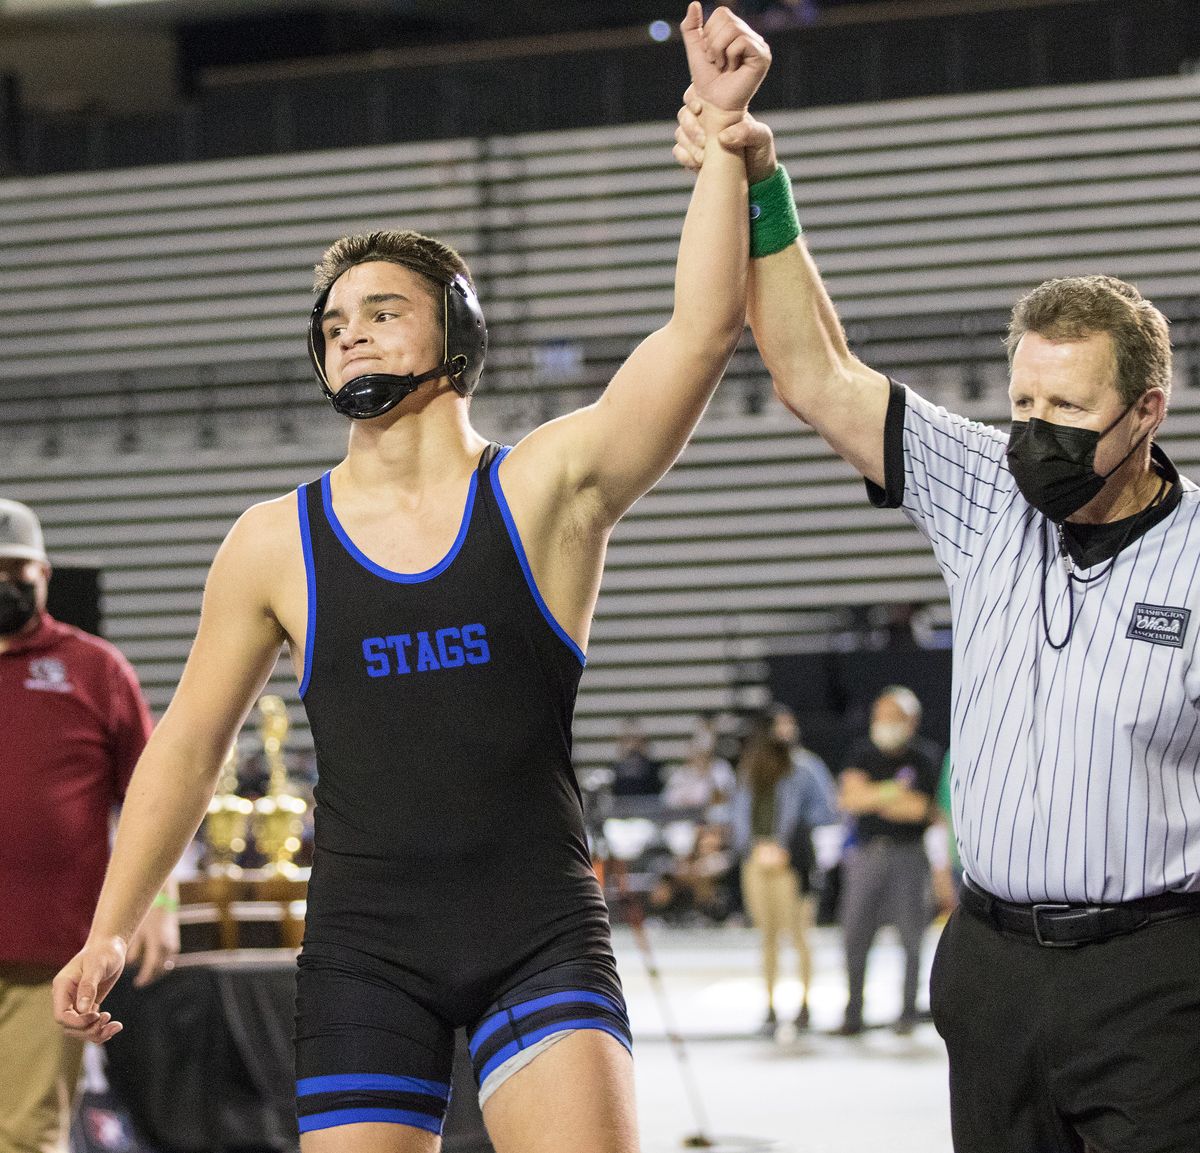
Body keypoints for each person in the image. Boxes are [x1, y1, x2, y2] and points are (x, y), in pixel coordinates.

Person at [54, 8, 771, 1152]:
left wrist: (727, 142)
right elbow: (187, 743)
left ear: (457, 337)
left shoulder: (542, 489)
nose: (351, 336)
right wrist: (113, 920)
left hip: (536, 928)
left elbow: (699, 330)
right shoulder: (272, 541)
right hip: (363, 949)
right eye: (334, 324)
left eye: (382, 312)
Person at [674, 96, 1200, 1151]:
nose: (1036, 436)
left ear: (1148, 409)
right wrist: (761, 176)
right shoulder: (987, 491)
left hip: (1155, 971)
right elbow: (816, 372)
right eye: (1024, 406)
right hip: (991, 962)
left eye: (1070, 412)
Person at [0, 498, 177, 1153]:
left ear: (45, 573)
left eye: (17, 571)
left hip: (47, 955)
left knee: (25, 1136)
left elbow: (155, 795)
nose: (5, 586)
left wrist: (159, 901)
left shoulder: (95, 669)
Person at [835, 686, 939, 1036]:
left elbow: (920, 810)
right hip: (866, 854)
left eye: (892, 717)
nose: (883, 724)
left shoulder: (924, 757)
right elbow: (849, 799)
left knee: (912, 936)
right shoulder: (861, 752)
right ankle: (854, 1012)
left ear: (911, 721)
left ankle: (907, 1010)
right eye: (879, 716)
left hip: (908, 856)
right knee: (854, 934)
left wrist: (872, 795)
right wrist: (894, 792)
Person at [731, 706, 838, 1033]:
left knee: (800, 934)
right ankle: (770, 1005)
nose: (786, 731)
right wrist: (752, 847)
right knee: (767, 936)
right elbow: (738, 814)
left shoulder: (805, 767)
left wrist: (787, 843)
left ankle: (805, 1002)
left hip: (791, 862)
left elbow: (827, 810)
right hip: (757, 860)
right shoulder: (751, 768)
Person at [608, 718, 666, 798]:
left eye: (636, 740)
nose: (633, 745)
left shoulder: (656, 768)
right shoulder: (613, 770)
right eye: (628, 740)